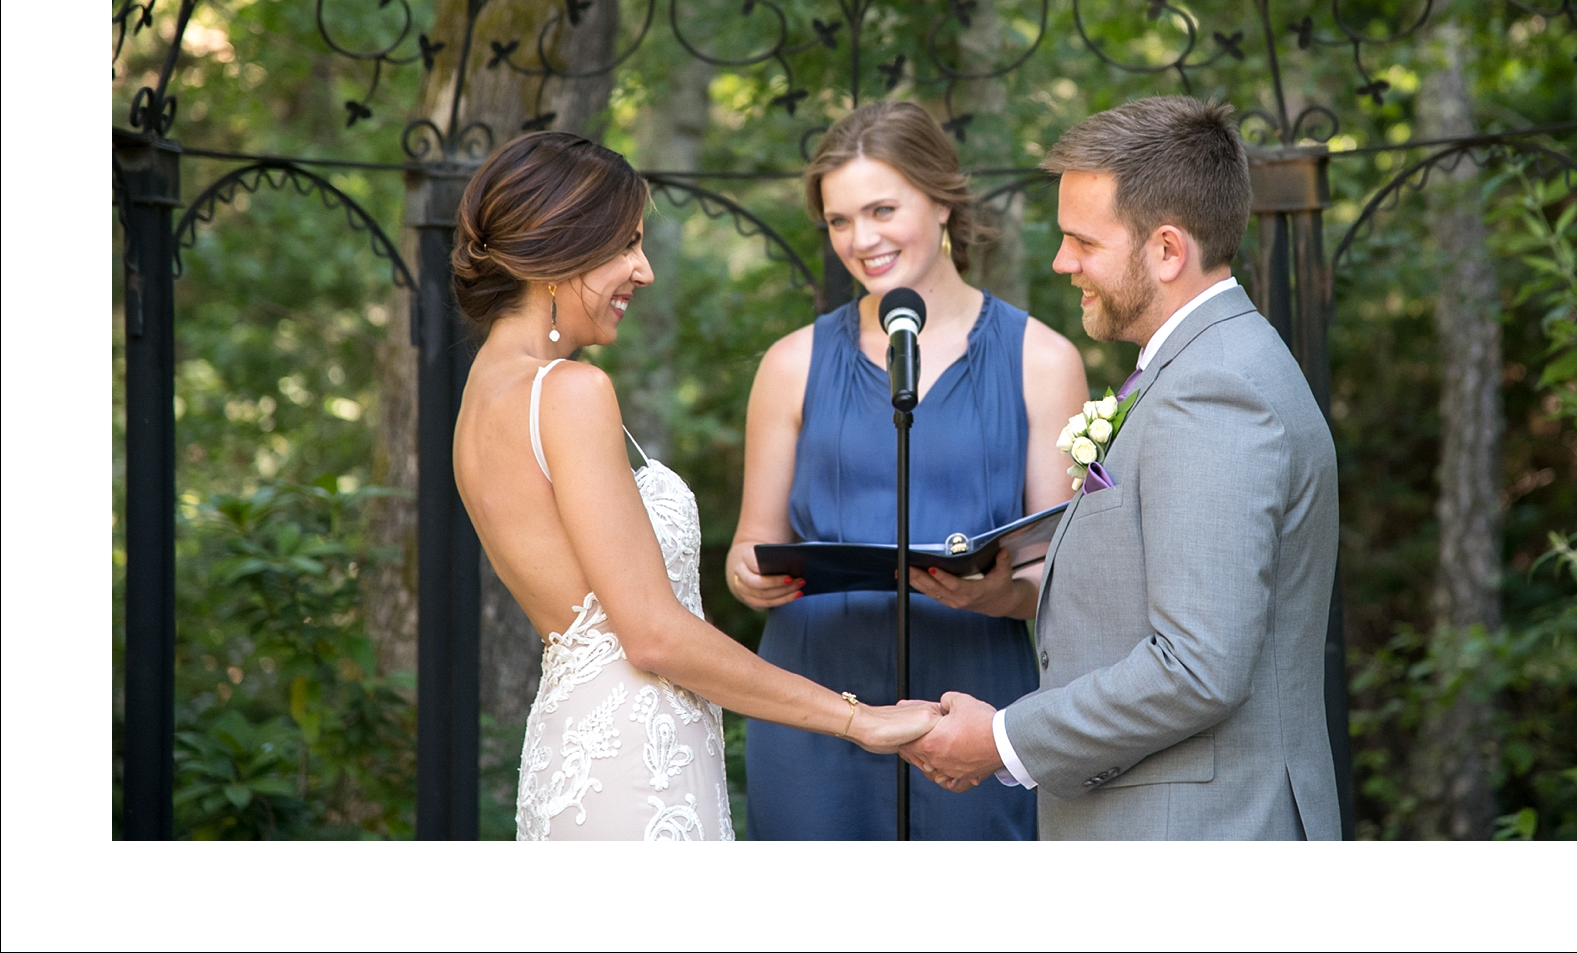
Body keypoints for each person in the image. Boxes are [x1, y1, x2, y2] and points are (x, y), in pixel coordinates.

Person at [449, 131, 939, 841]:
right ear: (557, 251)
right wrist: (860, 718)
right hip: (634, 767)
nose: (642, 270)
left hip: (585, 747)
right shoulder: (570, 391)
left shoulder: (482, 395)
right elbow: (653, 634)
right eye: (624, 244)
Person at [900, 95, 1343, 841]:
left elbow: (1197, 666)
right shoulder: (1198, 365)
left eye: (1082, 240)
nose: (1061, 261)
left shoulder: (1215, 389)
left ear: (1167, 250)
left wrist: (1004, 738)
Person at [725, 100, 1089, 839]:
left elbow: (1063, 583)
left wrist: (995, 592)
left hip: (976, 707)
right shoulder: (790, 363)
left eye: (883, 208)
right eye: (839, 220)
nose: (861, 239)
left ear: (944, 199)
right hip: (816, 705)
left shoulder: (1044, 361)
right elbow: (744, 550)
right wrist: (749, 576)